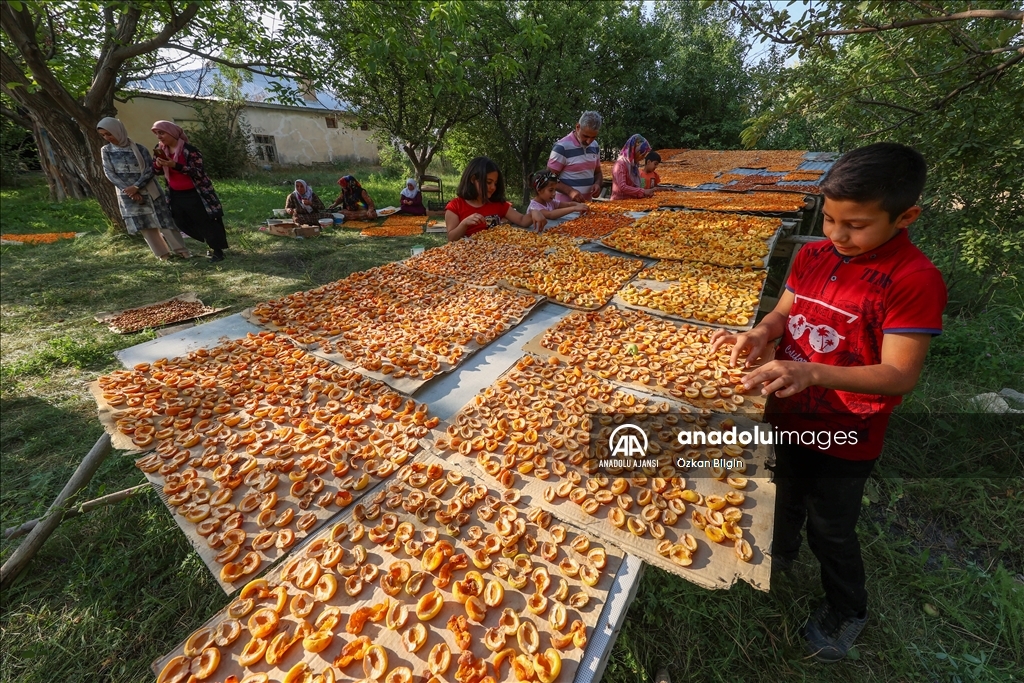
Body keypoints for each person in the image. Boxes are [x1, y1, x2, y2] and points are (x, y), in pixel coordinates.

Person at [709, 143, 947, 663]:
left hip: (847, 429)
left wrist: (811, 370)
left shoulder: (912, 280)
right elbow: (784, 313)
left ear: (906, 216)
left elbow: (900, 374)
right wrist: (759, 334)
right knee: (782, 488)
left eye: (856, 225)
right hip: (788, 409)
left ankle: (847, 608)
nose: (838, 234)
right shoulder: (813, 254)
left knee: (832, 525)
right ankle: (782, 554)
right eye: (831, 218)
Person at [96, 118, 191, 260]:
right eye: (103, 135)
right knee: (145, 224)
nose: (107, 138)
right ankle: (162, 254)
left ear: (118, 131)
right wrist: (128, 191)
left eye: (109, 134)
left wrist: (136, 186)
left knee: (164, 220)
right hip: (127, 194)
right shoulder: (106, 151)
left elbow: (150, 169)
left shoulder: (139, 148)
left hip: (149, 189)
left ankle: (181, 251)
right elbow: (109, 172)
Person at [151, 120, 229, 262]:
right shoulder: (160, 149)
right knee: (179, 219)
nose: (159, 136)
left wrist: (175, 165)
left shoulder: (190, 150)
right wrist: (158, 164)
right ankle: (205, 240)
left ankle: (218, 251)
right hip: (175, 193)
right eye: (157, 134)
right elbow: (156, 171)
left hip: (197, 193)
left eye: (161, 133)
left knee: (207, 221)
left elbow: (198, 172)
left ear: (172, 133)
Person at [444, 157, 547, 241]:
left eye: (495, 183)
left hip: (497, 258)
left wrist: (534, 212)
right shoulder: (455, 206)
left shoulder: (498, 204)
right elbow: (451, 238)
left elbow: (522, 220)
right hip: (468, 260)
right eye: (489, 182)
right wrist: (464, 224)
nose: (493, 187)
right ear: (473, 179)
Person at [547, 110, 603, 203]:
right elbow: (548, 178)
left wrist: (597, 184)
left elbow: (597, 173)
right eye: (585, 136)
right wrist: (570, 191)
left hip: (586, 205)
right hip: (563, 207)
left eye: (593, 137)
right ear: (577, 127)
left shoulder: (595, 146)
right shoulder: (562, 147)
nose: (589, 141)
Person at [611, 134, 654, 199]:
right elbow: (622, 187)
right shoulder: (620, 164)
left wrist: (642, 194)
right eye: (642, 155)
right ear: (634, 151)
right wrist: (643, 191)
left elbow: (635, 185)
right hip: (619, 202)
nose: (643, 158)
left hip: (631, 202)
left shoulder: (633, 165)